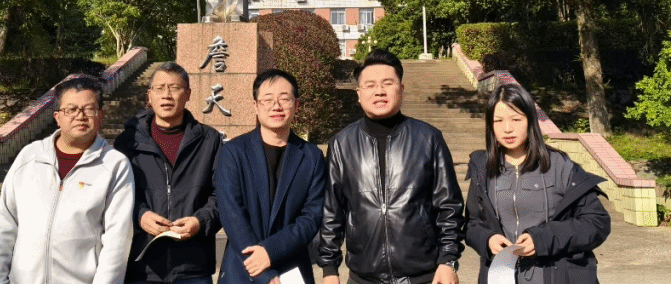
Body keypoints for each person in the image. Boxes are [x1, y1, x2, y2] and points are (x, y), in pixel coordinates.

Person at [316, 49, 464, 284]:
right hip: (363, 278)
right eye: (370, 85)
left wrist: (448, 260)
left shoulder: (428, 139)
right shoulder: (341, 144)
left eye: (387, 83)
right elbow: (331, 213)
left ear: (401, 89)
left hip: (424, 276)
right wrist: (329, 269)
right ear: (359, 93)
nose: (379, 91)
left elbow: (449, 206)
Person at [0, 76, 134, 284]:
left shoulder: (114, 165)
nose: (80, 116)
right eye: (71, 110)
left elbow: (117, 241)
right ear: (57, 117)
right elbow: (5, 225)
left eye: (89, 109)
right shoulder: (30, 157)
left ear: (100, 115)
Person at [464, 83, 611, 284]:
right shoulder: (482, 169)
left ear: (530, 121)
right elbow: (472, 224)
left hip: (557, 276)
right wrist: (487, 239)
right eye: (498, 121)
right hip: (501, 276)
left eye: (516, 119)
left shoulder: (560, 166)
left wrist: (543, 239)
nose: (507, 128)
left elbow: (596, 222)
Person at [114, 62, 224, 284]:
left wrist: (200, 221)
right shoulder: (128, 142)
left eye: (174, 88)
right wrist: (140, 216)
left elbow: (223, 195)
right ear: (149, 95)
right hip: (142, 266)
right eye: (160, 88)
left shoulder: (209, 141)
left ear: (188, 94)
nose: (166, 95)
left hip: (193, 267)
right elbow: (115, 195)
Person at [215, 69, 326, 284]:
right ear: (255, 106)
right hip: (243, 269)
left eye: (284, 99)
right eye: (267, 99)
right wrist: (262, 271)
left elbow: (311, 217)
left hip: (292, 269)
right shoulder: (234, 152)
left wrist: (270, 251)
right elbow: (231, 214)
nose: (276, 106)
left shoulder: (312, 156)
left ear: (296, 105)